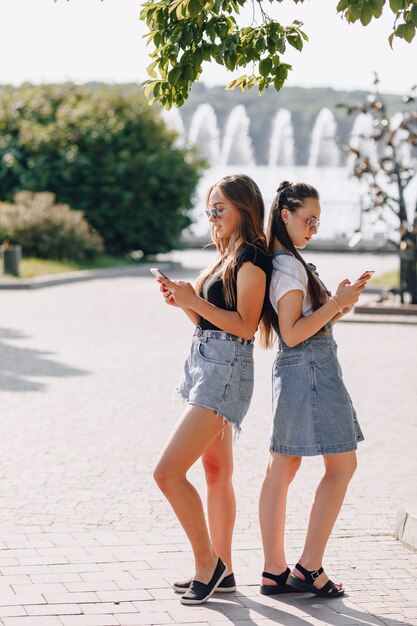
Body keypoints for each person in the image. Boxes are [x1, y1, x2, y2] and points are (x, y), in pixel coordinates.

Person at [153, 174, 270, 605]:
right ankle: (226, 570)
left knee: (167, 473)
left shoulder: (252, 261)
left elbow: (244, 327)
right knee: (216, 472)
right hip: (205, 366)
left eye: (219, 208)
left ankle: (208, 563)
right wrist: (185, 304)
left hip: (226, 373)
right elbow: (210, 322)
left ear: (244, 208)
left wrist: (195, 301)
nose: (213, 217)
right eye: (209, 210)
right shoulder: (225, 257)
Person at [258, 180, 366, 599]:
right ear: (285, 215)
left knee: (282, 468)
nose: (313, 229)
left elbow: (302, 328)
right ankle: (308, 566)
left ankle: (276, 570)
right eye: (309, 220)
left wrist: (341, 304)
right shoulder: (287, 267)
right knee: (340, 466)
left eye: (318, 222)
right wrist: (336, 303)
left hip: (301, 370)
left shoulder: (286, 262)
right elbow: (293, 332)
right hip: (312, 370)